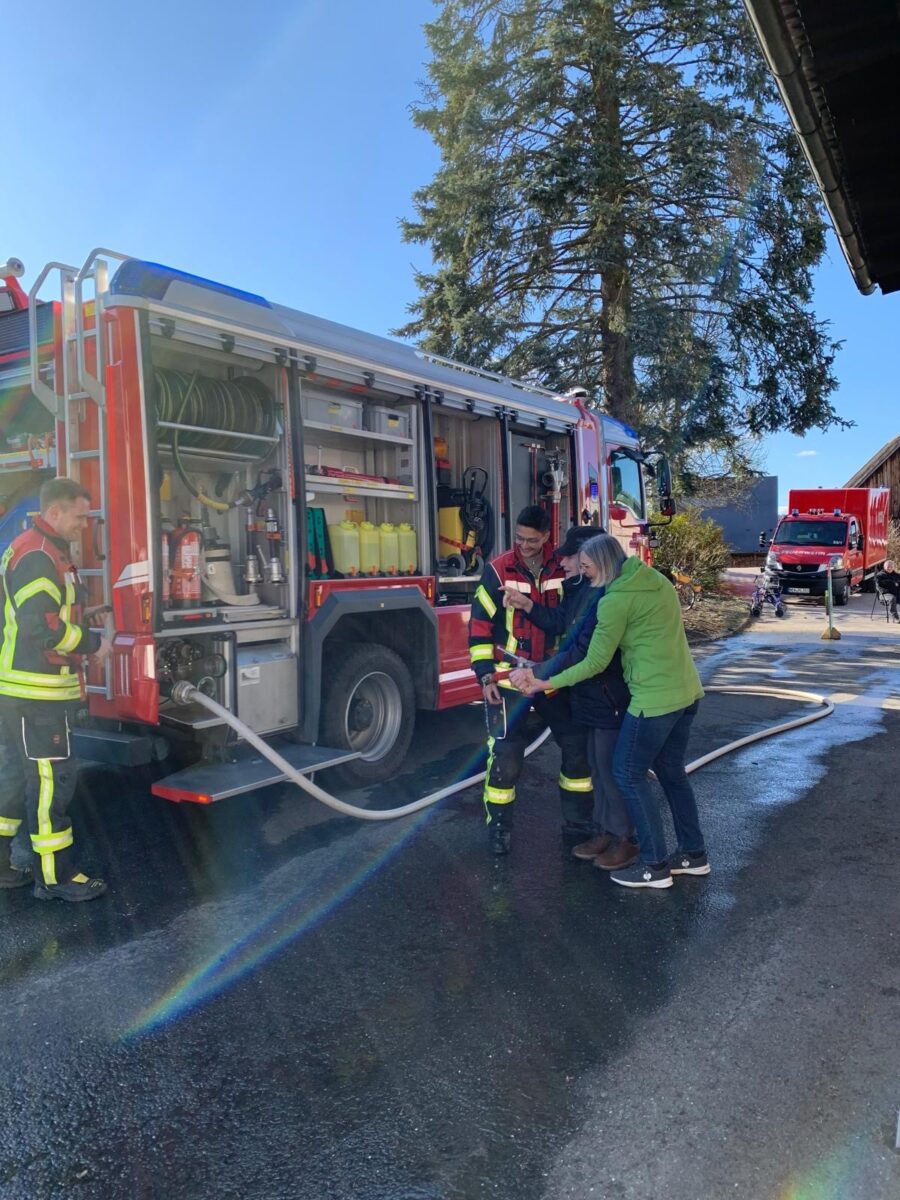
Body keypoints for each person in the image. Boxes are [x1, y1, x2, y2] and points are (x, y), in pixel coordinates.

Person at [512, 534, 707, 891]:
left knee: (627, 775)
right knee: (672, 774)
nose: (583, 574)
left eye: (585, 566)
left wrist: (544, 682)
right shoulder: (656, 580)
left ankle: (654, 865)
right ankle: (694, 855)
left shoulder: (615, 600)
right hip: (687, 693)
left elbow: (594, 661)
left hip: (653, 700)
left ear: (603, 563)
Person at [0, 477, 112, 901]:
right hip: (38, 693)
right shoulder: (39, 555)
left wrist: (87, 614)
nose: (83, 525)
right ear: (55, 513)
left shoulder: (34, 547)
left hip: (19, 688)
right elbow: (38, 626)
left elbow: (46, 611)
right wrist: (91, 642)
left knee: (13, 777)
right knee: (52, 781)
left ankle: (4, 867)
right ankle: (56, 877)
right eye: (79, 517)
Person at [504, 527, 636, 868]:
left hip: (607, 696)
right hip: (587, 696)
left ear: (592, 558)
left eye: (569, 556)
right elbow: (562, 623)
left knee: (610, 771)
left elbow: (580, 651)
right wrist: (527, 604)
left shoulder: (609, 597)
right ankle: (605, 831)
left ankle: (626, 839)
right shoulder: (582, 589)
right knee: (596, 766)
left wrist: (539, 676)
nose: (560, 560)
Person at [468, 506, 592, 854]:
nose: (524, 545)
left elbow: (571, 620)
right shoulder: (497, 571)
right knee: (505, 759)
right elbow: (478, 629)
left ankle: (578, 829)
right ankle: (499, 832)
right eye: (519, 539)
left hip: (555, 680)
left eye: (532, 540)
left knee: (577, 751)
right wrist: (484, 676)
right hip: (510, 681)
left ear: (547, 537)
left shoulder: (564, 566)